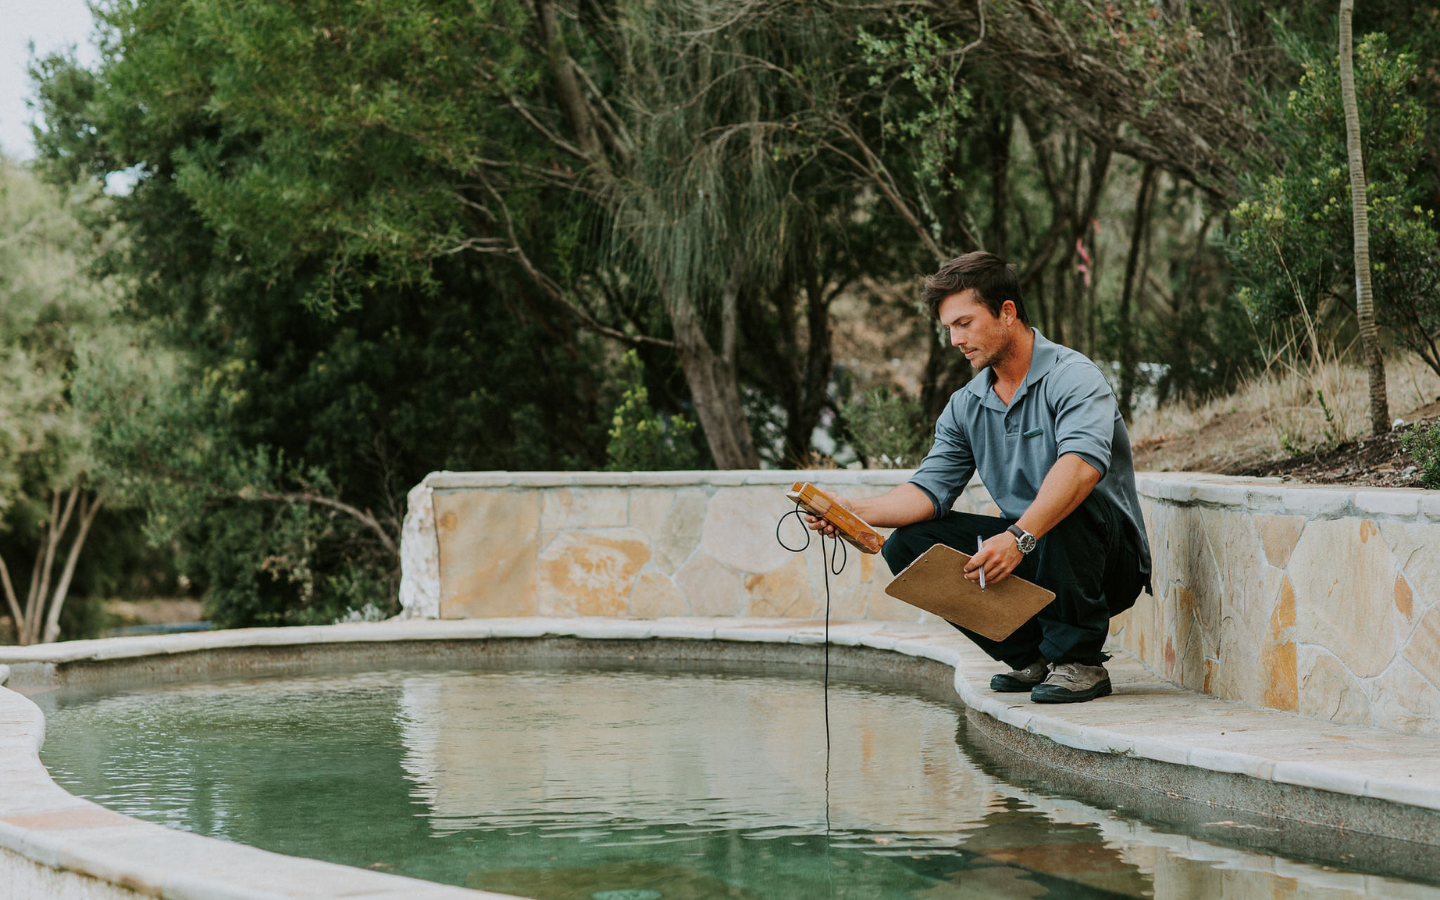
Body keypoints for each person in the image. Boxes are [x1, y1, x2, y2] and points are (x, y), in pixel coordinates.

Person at [807, 251, 1150, 703]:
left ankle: (1079, 661)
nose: (954, 339)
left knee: (1068, 495)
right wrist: (855, 510)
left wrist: (1020, 537)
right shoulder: (966, 404)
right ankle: (1033, 658)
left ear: (1007, 312)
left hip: (1106, 558)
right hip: (1034, 550)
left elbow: (1082, 467)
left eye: (964, 323)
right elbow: (929, 490)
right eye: (949, 327)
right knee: (908, 543)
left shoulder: (1074, 376)